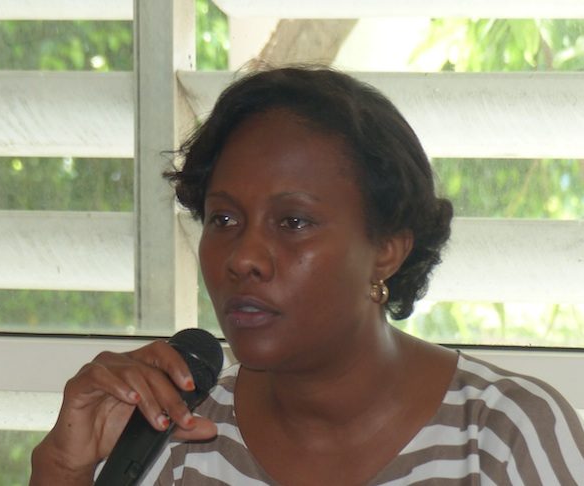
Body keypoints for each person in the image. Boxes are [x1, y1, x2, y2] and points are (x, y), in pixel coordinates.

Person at [31, 67, 584, 485]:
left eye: (293, 222)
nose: (243, 258)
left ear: (386, 251)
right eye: (223, 219)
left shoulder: (504, 438)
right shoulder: (175, 439)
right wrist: (63, 467)